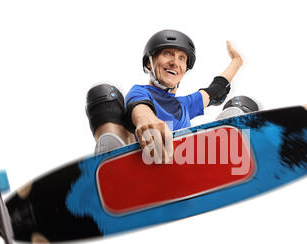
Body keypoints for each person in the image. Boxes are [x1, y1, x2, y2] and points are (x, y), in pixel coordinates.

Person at [86, 29, 243, 159]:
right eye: (168, 53)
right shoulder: (140, 92)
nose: (175, 62)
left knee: (240, 105)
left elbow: (217, 90)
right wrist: (146, 120)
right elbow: (139, 107)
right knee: (105, 93)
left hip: (182, 164)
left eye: (182, 58)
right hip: (142, 163)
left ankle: (229, 140)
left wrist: (237, 61)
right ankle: (113, 159)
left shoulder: (186, 105)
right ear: (149, 63)